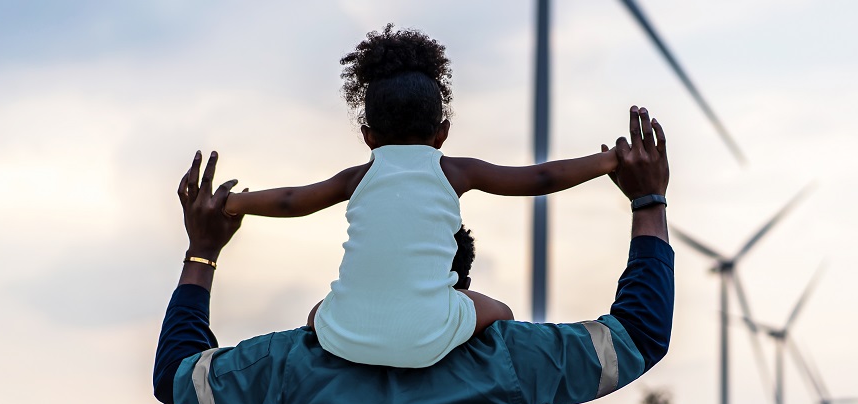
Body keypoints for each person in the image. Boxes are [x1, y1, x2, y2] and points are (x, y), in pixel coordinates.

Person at [155, 106, 673, 404]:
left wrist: (202, 252)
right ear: (455, 282)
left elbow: (179, 376)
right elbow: (637, 335)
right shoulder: (511, 361)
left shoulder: (293, 367)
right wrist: (647, 203)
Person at [222, 25, 620, 371]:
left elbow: (292, 199)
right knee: (502, 313)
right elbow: (540, 176)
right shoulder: (454, 171)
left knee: (316, 315)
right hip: (428, 336)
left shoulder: (357, 178)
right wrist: (608, 161)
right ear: (441, 133)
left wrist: (234, 203)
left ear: (368, 136)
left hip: (348, 337)